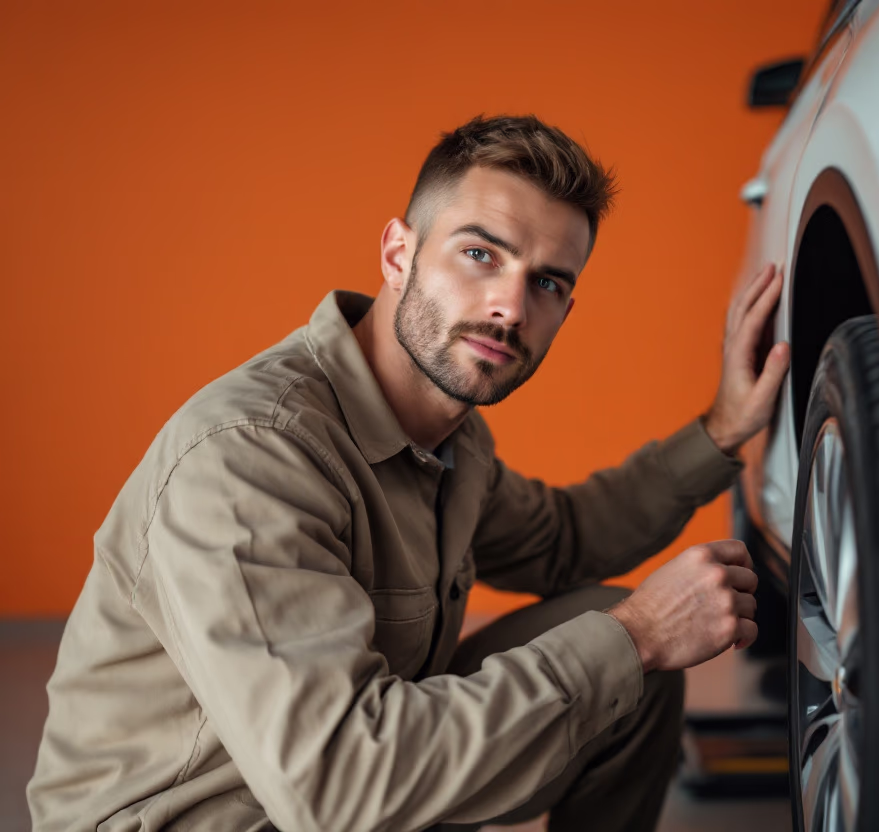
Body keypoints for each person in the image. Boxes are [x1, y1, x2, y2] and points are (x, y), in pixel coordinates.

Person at [27, 114, 791, 832]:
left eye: (547, 283)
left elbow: (566, 540)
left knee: (628, 669)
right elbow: (337, 782)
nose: (509, 306)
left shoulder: (453, 442)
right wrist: (641, 634)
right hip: (210, 816)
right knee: (623, 646)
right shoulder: (249, 459)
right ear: (399, 255)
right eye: (480, 254)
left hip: (334, 797)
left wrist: (722, 428)